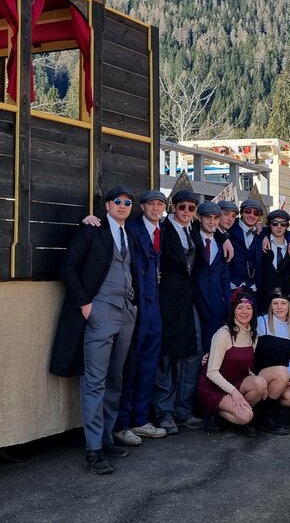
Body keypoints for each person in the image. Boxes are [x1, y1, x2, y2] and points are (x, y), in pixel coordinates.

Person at [48, 186, 139, 474]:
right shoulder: (92, 229)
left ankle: (106, 437)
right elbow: (68, 266)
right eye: (118, 202)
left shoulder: (129, 234)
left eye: (127, 202)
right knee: (95, 381)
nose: (123, 206)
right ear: (108, 205)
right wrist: (86, 304)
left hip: (125, 312)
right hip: (99, 311)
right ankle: (93, 449)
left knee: (115, 377)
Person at [112, 189, 168, 445]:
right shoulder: (131, 228)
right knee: (130, 365)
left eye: (160, 204)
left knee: (148, 364)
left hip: (155, 304)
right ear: (143, 207)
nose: (156, 209)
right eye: (151, 204)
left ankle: (140, 419)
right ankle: (121, 424)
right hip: (136, 304)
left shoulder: (164, 231)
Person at [154, 190, 205, 434]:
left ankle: (183, 409)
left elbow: (219, 230)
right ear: (173, 207)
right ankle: (165, 413)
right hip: (166, 299)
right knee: (166, 356)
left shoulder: (193, 231)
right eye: (182, 207)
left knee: (193, 353)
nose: (186, 212)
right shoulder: (162, 230)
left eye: (191, 208)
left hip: (188, 299)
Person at [196, 290, 268, 436]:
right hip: (213, 387)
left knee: (260, 383)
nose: (244, 312)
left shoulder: (253, 335)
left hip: (236, 382)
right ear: (233, 310)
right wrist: (234, 393)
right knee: (247, 416)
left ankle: (235, 416)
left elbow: (246, 367)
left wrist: (259, 382)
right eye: (240, 307)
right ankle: (217, 414)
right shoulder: (223, 334)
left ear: (253, 311)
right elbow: (212, 372)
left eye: (248, 308)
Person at [253, 289, 290, 434]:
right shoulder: (260, 322)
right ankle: (266, 415)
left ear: (289, 306)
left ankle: (264, 408)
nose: (279, 307)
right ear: (270, 305)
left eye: (283, 303)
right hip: (260, 373)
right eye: (275, 303)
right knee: (281, 371)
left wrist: (286, 377)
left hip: (282, 376)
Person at [195, 201, 233, 354]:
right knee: (198, 345)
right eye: (208, 218)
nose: (212, 222)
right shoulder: (192, 238)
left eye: (216, 218)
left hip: (217, 303)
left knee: (214, 346)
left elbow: (225, 277)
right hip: (197, 301)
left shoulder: (220, 243)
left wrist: (227, 303)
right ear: (199, 218)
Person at [228, 198, 266, 304]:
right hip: (231, 285)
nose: (251, 215)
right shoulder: (229, 227)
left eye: (256, 213)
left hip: (252, 287)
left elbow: (285, 233)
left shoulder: (262, 233)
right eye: (248, 211)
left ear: (259, 217)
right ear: (241, 212)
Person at [260, 209, 290, 302]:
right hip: (264, 297)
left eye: (283, 224)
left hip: (286, 299)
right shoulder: (261, 241)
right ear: (270, 225)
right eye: (275, 223)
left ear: (286, 226)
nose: (279, 226)